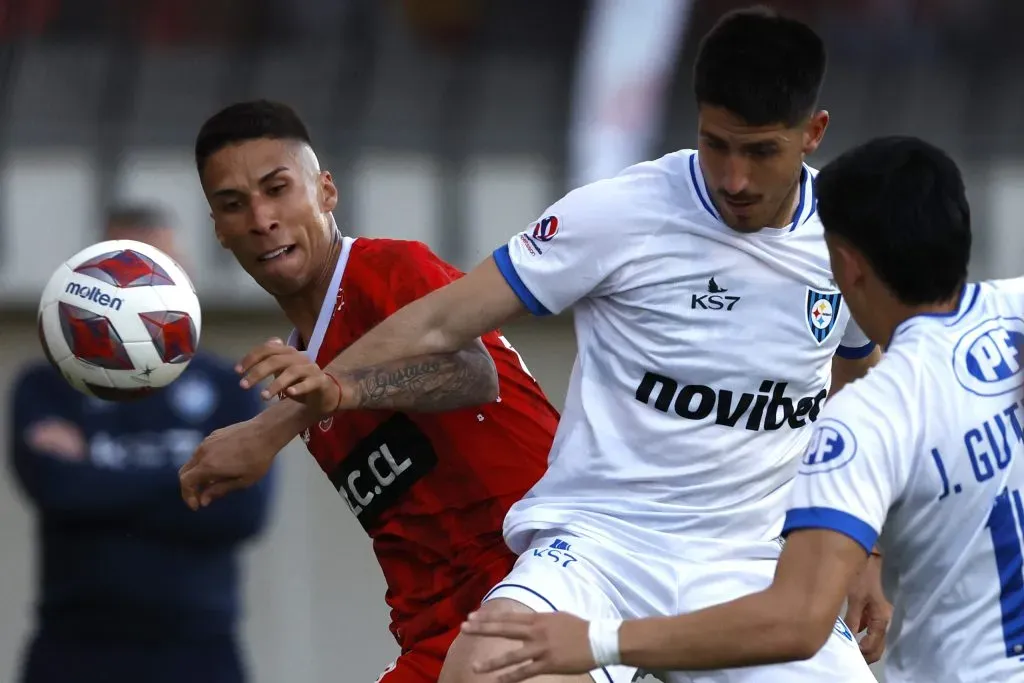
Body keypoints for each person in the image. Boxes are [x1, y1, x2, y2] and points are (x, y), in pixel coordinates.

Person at [181, 8, 890, 683]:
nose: (734, 177)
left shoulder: (848, 238)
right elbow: (443, 321)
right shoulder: (621, 213)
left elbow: (858, 387)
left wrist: (865, 545)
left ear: (812, 132)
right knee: (482, 667)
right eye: (716, 145)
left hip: (752, 560)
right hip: (602, 548)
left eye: (760, 152)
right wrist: (308, 405)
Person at [457, 136, 1014, 682]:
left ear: (847, 269)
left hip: (765, 579)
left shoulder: (860, 424)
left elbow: (796, 620)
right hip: (601, 545)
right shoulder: (1008, 314)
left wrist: (598, 641)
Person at [182, 100, 560, 683]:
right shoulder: (301, 374)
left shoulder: (389, 270)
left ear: (325, 192)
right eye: (234, 205)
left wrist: (330, 393)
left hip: (546, 574)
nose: (262, 218)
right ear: (220, 230)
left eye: (277, 189)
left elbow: (473, 374)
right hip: (442, 628)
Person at [9, 204, 274, 683]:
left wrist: (95, 471)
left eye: (155, 272)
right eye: (118, 274)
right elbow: (59, 491)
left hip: (199, 650)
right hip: (75, 648)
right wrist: (191, 481)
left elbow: (242, 510)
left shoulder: (227, 385)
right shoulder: (46, 386)